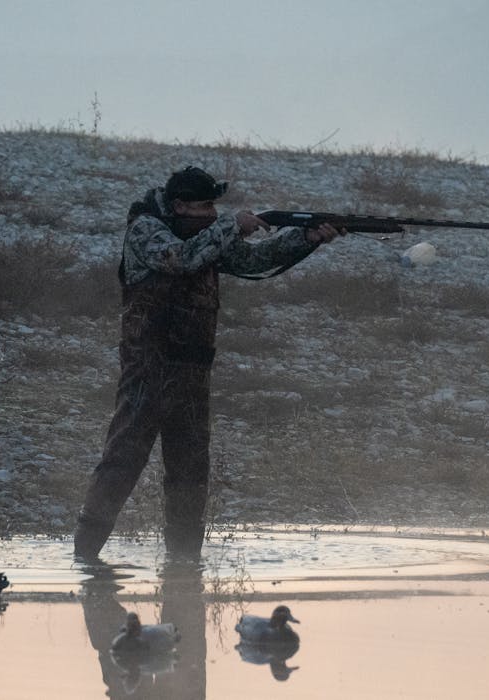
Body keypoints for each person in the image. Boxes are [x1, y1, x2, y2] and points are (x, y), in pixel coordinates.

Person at [73, 166, 345, 562]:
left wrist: (305, 239)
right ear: (180, 205)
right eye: (204, 207)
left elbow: (253, 260)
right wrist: (232, 226)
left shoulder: (205, 235)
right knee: (123, 459)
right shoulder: (146, 230)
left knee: (190, 470)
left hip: (193, 372)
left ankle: (184, 566)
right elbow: (180, 259)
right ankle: (84, 556)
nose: (211, 215)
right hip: (148, 369)